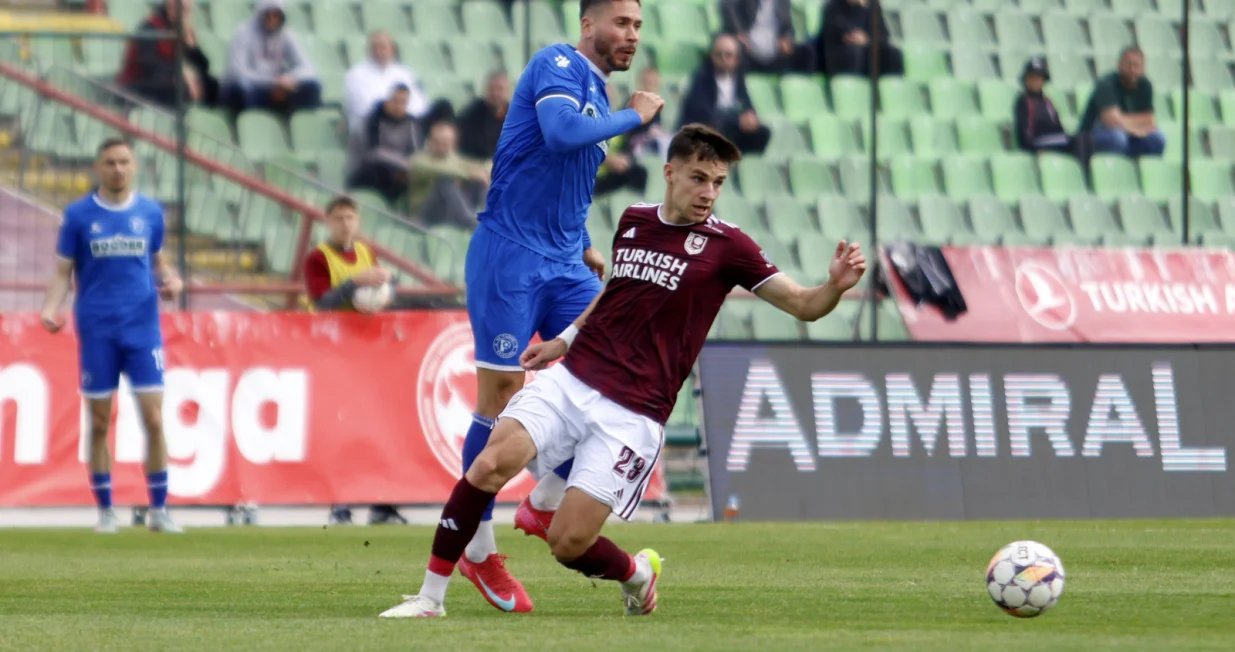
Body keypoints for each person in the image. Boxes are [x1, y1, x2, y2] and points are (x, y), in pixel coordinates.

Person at [378, 123, 867, 619]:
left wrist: (834, 287)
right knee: (488, 466)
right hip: (574, 381)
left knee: (568, 543)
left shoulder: (729, 247)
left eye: (718, 183)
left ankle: (636, 573)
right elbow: (615, 295)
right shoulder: (634, 219)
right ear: (670, 173)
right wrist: (562, 341)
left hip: (634, 413)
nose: (708, 193)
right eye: (699, 178)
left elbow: (803, 306)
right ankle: (430, 599)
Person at [446, 0, 663, 615]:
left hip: (566, 259)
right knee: (500, 397)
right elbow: (560, 135)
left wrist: (588, 243)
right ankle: (479, 549)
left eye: (638, 26)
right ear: (588, 24)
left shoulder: (593, 88)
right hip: (510, 255)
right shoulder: (557, 65)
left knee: (612, 365)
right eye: (621, 23)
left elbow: (560, 174)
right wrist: (633, 116)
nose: (631, 35)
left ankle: (543, 506)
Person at [39, 138, 186, 535]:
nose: (118, 169)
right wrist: (50, 308)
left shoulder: (150, 212)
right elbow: (61, 272)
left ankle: (159, 510)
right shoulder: (79, 216)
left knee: (154, 417)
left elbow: (157, 260)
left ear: (134, 166)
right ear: (97, 168)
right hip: (97, 329)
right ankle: (106, 510)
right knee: (100, 421)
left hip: (142, 330)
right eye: (110, 163)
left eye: (124, 162)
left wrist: (170, 279)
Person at [302, 195, 404, 525]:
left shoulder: (365, 253)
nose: (346, 224)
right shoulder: (318, 258)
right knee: (340, 428)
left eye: (351, 218)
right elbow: (322, 303)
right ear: (327, 221)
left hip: (367, 352)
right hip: (332, 352)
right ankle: (339, 503)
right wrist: (353, 284)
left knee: (379, 426)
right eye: (339, 218)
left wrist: (388, 289)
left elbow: (381, 296)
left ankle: (381, 502)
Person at [220, 0, 322, 115]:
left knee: (312, 87)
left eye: (277, 15)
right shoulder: (243, 33)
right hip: (252, 86)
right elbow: (237, 73)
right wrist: (272, 82)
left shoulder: (285, 35)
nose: (273, 19)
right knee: (245, 90)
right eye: (269, 14)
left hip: (275, 87)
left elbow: (308, 68)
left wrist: (290, 78)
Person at [117, 0, 220, 109]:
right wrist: (181, 73)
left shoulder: (183, 30)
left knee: (213, 86)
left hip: (170, 82)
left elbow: (204, 66)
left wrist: (191, 45)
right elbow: (150, 67)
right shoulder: (150, 26)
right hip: (138, 86)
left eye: (186, 9)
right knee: (179, 88)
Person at [680, 34, 770, 155]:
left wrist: (750, 118)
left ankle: (743, 169)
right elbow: (704, 114)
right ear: (712, 56)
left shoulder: (738, 79)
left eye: (728, 55)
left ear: (736, 59)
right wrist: (737, 121)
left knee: (761, 133)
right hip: (706, 132)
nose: (723, 59)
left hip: (730, 130)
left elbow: (747, 105)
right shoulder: (701, 79)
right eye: (719, 54)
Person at [1078, 47, 1166, 157]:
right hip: (1092, 135)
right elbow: (1110, 120)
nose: (1132, 70)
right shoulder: (1106, 84)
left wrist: (1124, 122)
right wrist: (1135, 127)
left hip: (1127, 134)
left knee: (1157, 139)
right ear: (1119, 65)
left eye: (1136, 66)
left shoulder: (1145, 85)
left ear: (1143, 68)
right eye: (1128, 65)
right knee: (1118, 138)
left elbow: (1149, 121)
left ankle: (1142, 171)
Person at [343, 31, 430, 136]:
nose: (378, 52)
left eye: (383, 47)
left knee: (442, 108)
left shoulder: (404, 73)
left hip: (405, 123)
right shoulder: (356, 75)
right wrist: (397, 108)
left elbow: (420, 104)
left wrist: (401, 111)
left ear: (392, 49)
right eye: (374, 47)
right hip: (373, 129)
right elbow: (366, 108)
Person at [348, 84, 421, 205]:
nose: (398, 106)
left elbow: (416, 152)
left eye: (403, 102)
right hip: (368, 169)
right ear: (387, 100)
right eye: (395, 101)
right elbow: (373, 152)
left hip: (401, 169)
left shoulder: (411, 123)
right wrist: (404, 164)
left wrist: (407, 167)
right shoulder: (373, 120)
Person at [409, 121, 490, 229]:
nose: (441, 147)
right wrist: (469, 174)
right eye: (437, 142)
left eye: (446, 143)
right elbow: (442, 170)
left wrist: (484, 171)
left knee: (479, 181)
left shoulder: (453, 159)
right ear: (429, 141)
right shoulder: (419, 160)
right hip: (424, 214)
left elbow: (479, 165)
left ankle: (487, 216)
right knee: (445, 181)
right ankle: (471, 222)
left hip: (448, 211)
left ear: (453, 143)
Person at [720, 0, 815, 74]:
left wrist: (787, 39)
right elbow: (727, 5)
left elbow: (787, 27)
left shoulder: (783, 2)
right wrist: (739, 33)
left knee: (807, 52)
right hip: (749, 48)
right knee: (732, 50)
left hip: (775, 49)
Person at [818, 0, 903, 78]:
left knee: (893, 53)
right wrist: (852, 35)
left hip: (867, 49)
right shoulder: (833, 5)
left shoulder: (871, 6)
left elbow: (883, 34)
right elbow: (833, 30)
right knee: (855, 53)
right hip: (842, 51)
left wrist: (867, 39)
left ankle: (891, 88)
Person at [457, 71, 511, 162]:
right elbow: (466, 151)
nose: (495, 93)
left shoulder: (515, 116)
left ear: (508, 91)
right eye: (491, 88)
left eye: (499, 89)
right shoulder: (472, 114)